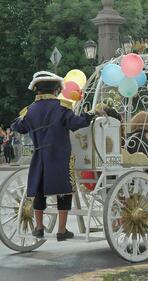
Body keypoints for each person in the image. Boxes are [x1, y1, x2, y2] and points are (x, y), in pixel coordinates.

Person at [11, 71, 102, 241]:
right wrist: (90, 115)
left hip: (39, 156)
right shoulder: (62, 107)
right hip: (59, 156)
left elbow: (17, 126)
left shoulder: (29, 111)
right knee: (64, 191)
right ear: (55, 90)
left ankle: (38, 228)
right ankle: (61, 230)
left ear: (37, 90)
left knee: (39, 191)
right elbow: (77, 123)